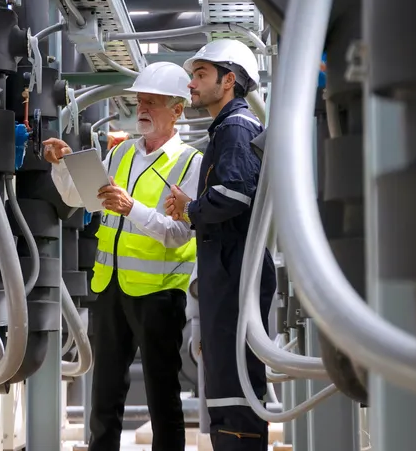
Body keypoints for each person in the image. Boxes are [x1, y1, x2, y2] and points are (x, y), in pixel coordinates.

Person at [42, 62, 203, 451]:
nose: (142, 108)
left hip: (159, 293)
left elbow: (179, 233)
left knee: (162, 395)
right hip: (111, 286)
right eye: (139, 100)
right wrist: (63, 166)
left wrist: (131, 209)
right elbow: (79, 198)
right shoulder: (120, 155)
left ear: (177, 109)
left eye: (153, 102)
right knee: (105, 393)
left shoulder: (190, 164)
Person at [164, 39, 275, 451]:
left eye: (201, 75)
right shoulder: (228, 128)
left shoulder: (235, 127)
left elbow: (234, 196)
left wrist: (190, 208)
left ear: (229, 81)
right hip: (229, 270)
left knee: (236, 382)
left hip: (235, 270)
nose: (191, 83)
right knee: (228, 381)